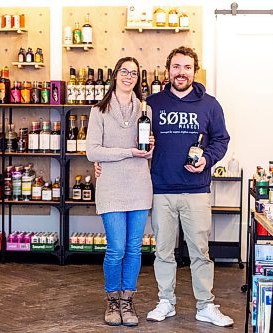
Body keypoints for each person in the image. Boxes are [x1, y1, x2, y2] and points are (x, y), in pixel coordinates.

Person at [95, 46, 233, 327]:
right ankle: (166, 301)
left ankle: (205, 305)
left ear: (195, 71)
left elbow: (221, 140)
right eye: (176, 67)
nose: (181, 72)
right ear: (168, 70)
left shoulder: (210, 104)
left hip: (196, 190)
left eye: (187, 67)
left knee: (200, 253)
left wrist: (206, 159)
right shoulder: (151, 104)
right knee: (163, 252)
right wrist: (99, 164)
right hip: (160, 189)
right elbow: (123, 137)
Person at [86, 56, 155, 327]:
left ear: (138, 79)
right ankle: (112, 300)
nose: (129, 76)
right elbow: (92, 151)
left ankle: (128, 300)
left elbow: (148, 153)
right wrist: (129, 152)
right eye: (124, 71)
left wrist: (150, 146)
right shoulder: (98, 111)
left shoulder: (144, 110)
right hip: (111, 187)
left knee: (134, 249)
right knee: (116, 249)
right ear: (115, 75)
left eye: (134, 73)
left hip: (139, 185)